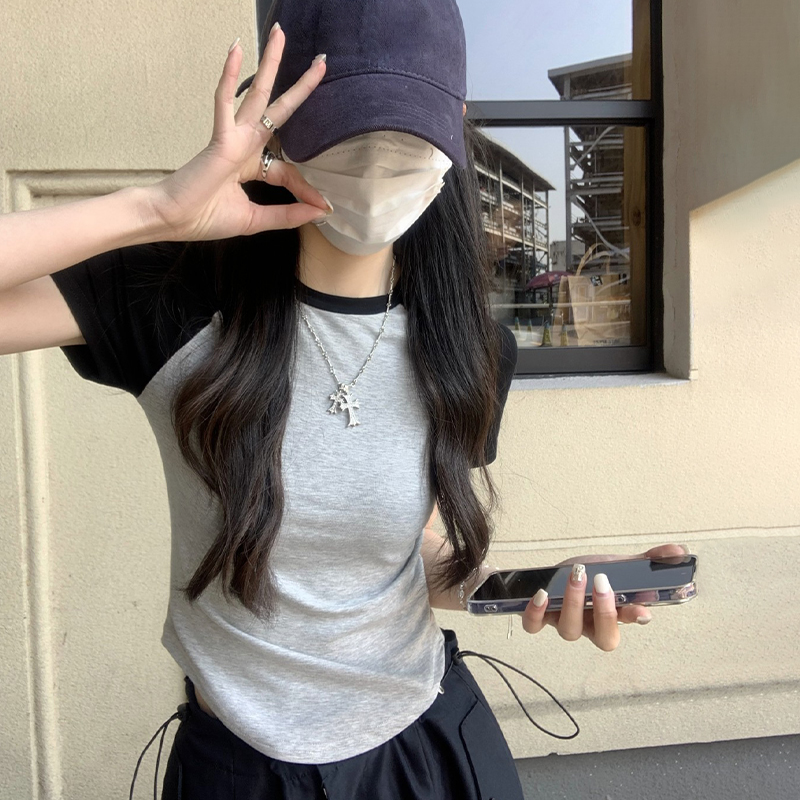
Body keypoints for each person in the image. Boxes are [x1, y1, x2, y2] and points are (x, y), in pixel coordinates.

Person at [0, 1, 686, 797]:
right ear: (275, 125)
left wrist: (534, 584)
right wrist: (156, 210)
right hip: (243, 769)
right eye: (346, 130)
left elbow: (411, 555)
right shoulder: (172, 303)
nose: (374, 162)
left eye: (405, 133)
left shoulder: (468, 348)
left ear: (456, 126)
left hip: (428, 749)